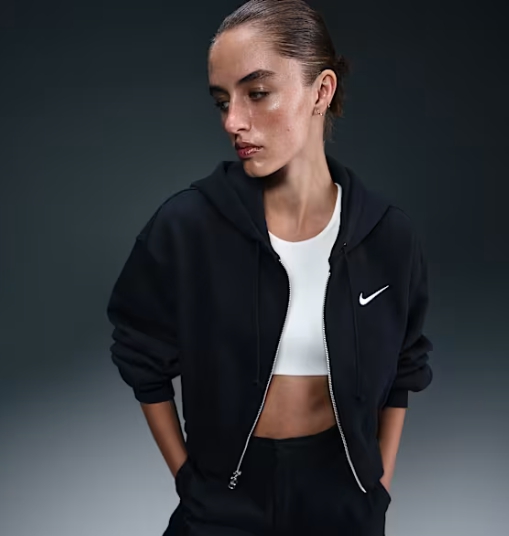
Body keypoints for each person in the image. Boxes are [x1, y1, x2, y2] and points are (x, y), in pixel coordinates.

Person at [106, 1, 434, 534]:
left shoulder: (388, 236)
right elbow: (139, 353)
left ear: (321, 92)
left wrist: (378, 486)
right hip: (226, 493)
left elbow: (405, 366)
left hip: (341, 491)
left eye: (256, 93)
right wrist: (189, 479)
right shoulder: (187, 227)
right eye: (222, 101)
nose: (232, 121)